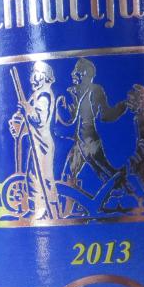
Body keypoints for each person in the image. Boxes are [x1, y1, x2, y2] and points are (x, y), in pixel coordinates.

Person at [57, 58, 127, 192]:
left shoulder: (95, 90)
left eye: (77, 71)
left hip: (88, 138)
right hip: (76, 139)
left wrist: (121, 107)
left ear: (86, 74)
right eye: (74, 71)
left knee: (102, 168)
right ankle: (73, 201)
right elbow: (67, 118)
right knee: (70, 174)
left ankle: (126, 190)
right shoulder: (71, 92)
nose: (73, 74)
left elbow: (105, 115)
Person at [8, 61, 59, 220]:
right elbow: (29, 122)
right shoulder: (36, 95)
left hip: (42, 145)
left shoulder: (44, 96)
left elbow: (39, 120)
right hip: (35, 143)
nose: (32, 79)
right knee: (32, 177)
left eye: (35, 75)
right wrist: (18, 125)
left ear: (44, 77)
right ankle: (36, 208)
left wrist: (27, 108)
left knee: (45, 179)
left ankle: (51, 211)